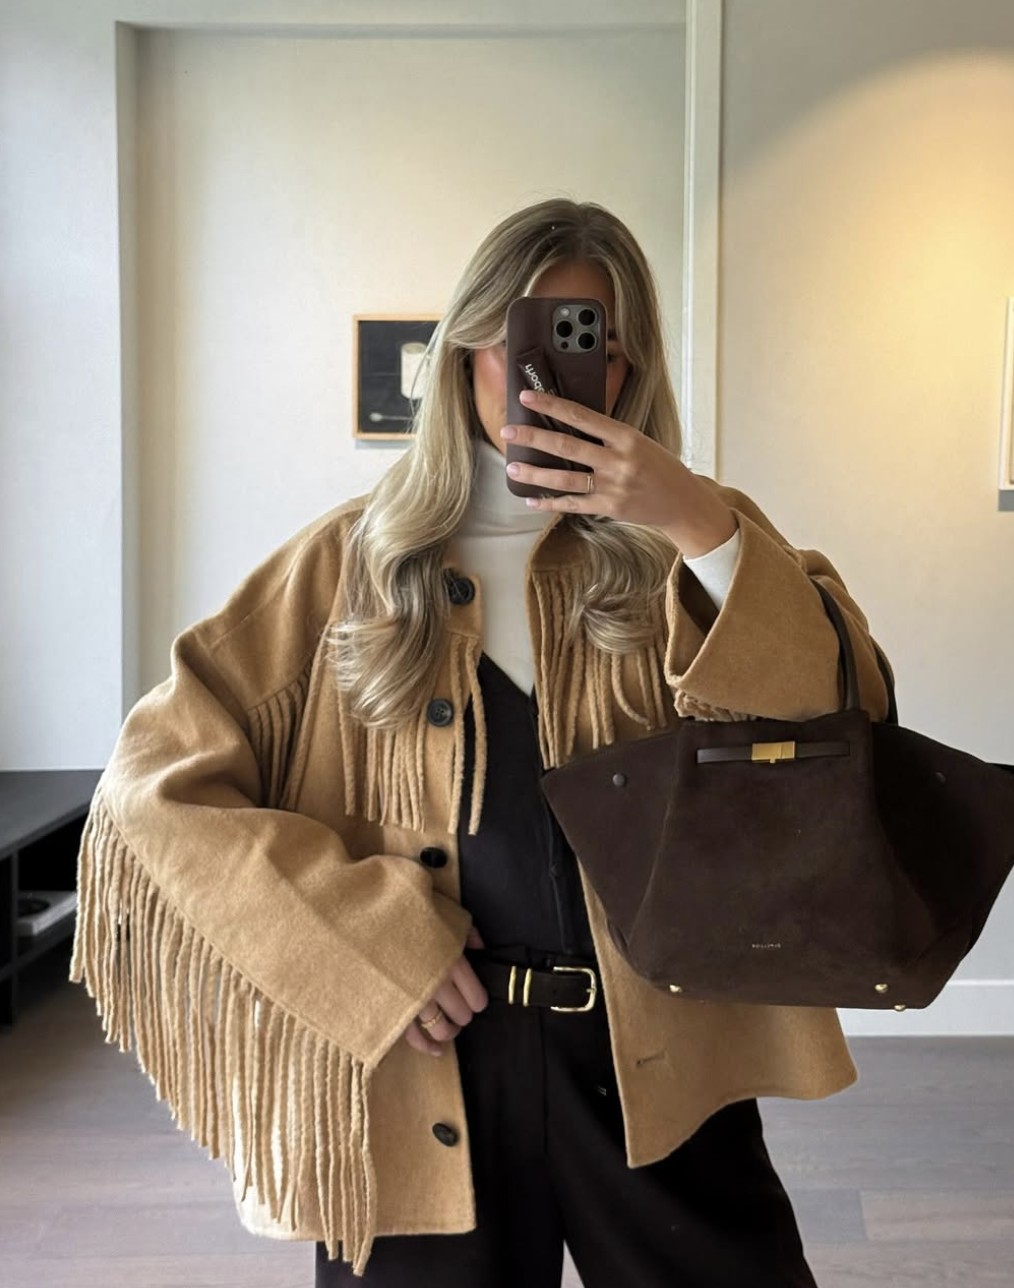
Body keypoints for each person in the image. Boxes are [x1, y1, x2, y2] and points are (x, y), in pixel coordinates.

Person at [69, 198, 890, 1287]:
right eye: (517, 339)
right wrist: (363, 946)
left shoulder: (687, 549)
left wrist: (697, 520)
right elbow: (150, 790)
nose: (541, 375)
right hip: (424, 1065)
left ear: (628, 366)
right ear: (462, 354)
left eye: (580, 340)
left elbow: (845, 709)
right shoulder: (341, 572)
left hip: (662, 1054)